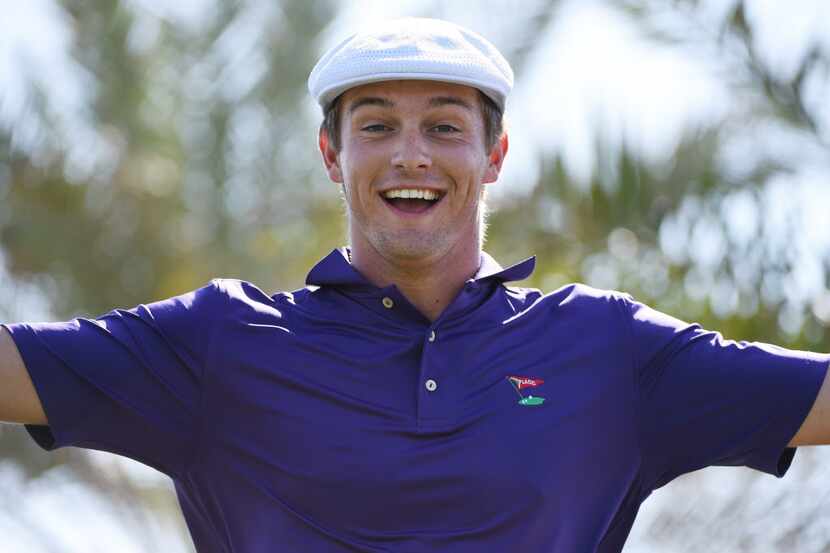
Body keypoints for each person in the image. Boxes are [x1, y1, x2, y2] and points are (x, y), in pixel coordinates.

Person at [1, 17, 829, 553]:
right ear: (333, 155)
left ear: (493, 156)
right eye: (376, 127)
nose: (411, 156)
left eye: (443, 125)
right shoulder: (219, 341)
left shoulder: (607, 348)